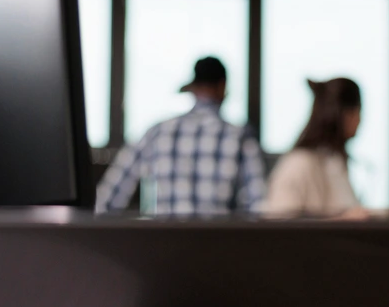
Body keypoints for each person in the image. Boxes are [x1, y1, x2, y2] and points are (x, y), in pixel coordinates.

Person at [96, 56, 267, 216]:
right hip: (219, 245)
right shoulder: (241, 138)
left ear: (193, 88)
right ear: (222, 86)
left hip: (164, 245)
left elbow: (108, 198)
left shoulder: (157, 133)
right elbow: (259, 206)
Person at [263, 77, 367, 218]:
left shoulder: (334, 162)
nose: (359, 120)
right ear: (340, 114)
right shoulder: (298, 165)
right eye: (356, 111)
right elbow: (279, 230)